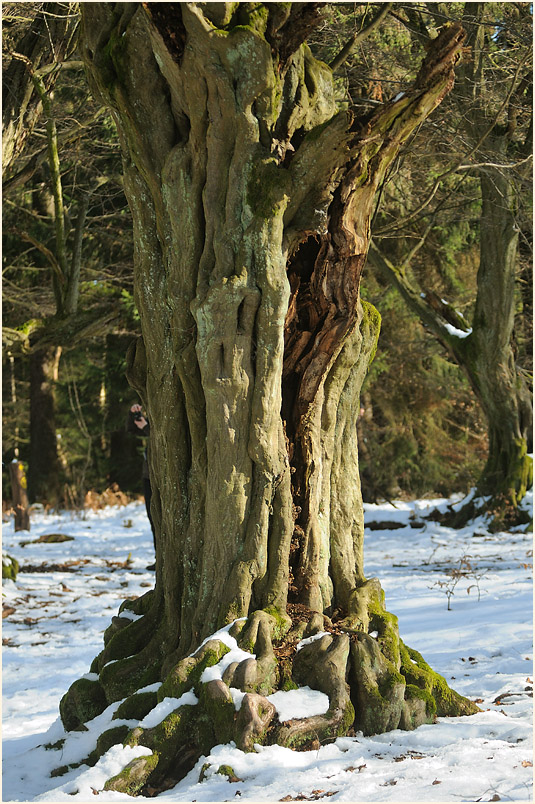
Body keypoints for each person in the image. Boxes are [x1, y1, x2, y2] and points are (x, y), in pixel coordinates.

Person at [127, 403, 156, 570]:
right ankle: (160, 558)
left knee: (162, 520)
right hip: (148, 477)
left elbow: (163, 437)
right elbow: (131, 430)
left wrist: (146, 427)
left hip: (160, 478)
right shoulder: (153, 420)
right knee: (154, 518)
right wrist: (133, 415)